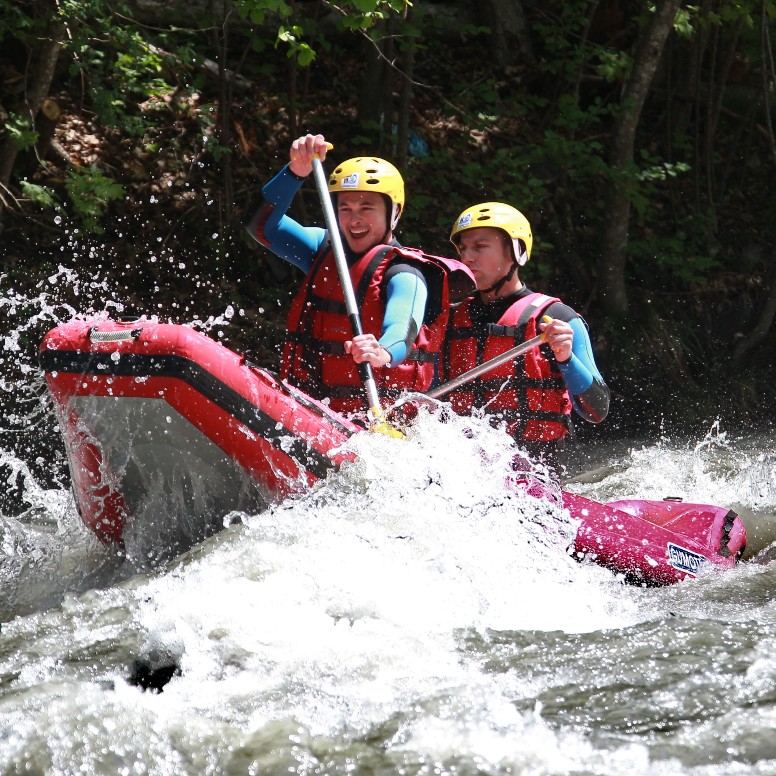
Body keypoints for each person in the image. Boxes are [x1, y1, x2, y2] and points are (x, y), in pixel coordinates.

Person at [245, 133, 474, 417]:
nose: (354, 220)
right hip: (307, 406)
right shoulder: (321, 248)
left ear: (394, 213)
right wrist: (295, 172)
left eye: (367, 208)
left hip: (374, 421)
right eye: (345, 208)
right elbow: (261, 225)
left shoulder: (406, 273)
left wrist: (383, 352)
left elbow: (404, 330)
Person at [441, 201, 610, 471]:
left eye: (480, 247)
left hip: (534, 474)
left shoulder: (559, 318)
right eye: (463, 248)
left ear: (516, 252)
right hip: (461, 473)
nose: (467, 257)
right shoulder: (448, 319)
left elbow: (597, 410)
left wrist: (565, 358)